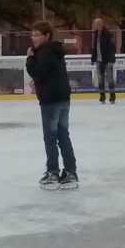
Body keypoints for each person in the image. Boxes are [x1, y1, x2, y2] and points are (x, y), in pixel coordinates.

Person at [26, 21, 78, 191]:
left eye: (37, 34)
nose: (33, 38)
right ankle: (70, 172)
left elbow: (37, 71)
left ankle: (53, 173)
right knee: (63, 136)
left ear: (46, 35)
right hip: (62, 98)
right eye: (32, 34)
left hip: (51, 101)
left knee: (50, 138)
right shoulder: (55, 51)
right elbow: (49, 74)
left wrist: (30, 58)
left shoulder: (45, 52)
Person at [91, 18, 117, 104]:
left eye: (95, 24)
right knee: (100, 78)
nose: (94, 26)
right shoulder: (95, 35)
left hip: (107, 60)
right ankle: (102, 96)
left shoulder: (108, 34)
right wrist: (93, 58)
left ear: (100, 24)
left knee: (110, 78)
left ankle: (112, 95)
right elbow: (94, 47)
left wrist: (111, 60)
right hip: (99, 60)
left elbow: (112, 48)